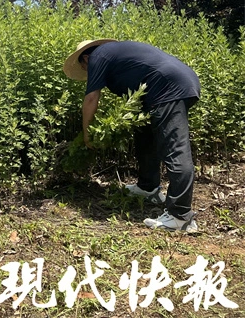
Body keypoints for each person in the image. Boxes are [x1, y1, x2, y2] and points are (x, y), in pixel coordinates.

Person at [63, 39, 201, 233]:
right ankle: (148, 188)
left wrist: (87, 133)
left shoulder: (97, 57)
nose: (87, 71)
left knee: (174, 149)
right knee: (144, 137)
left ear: (86, 58)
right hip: (165, 88)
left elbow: (91, 98)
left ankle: (180, 216)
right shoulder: (113, 55)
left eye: (84, 68)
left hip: (169, 88)